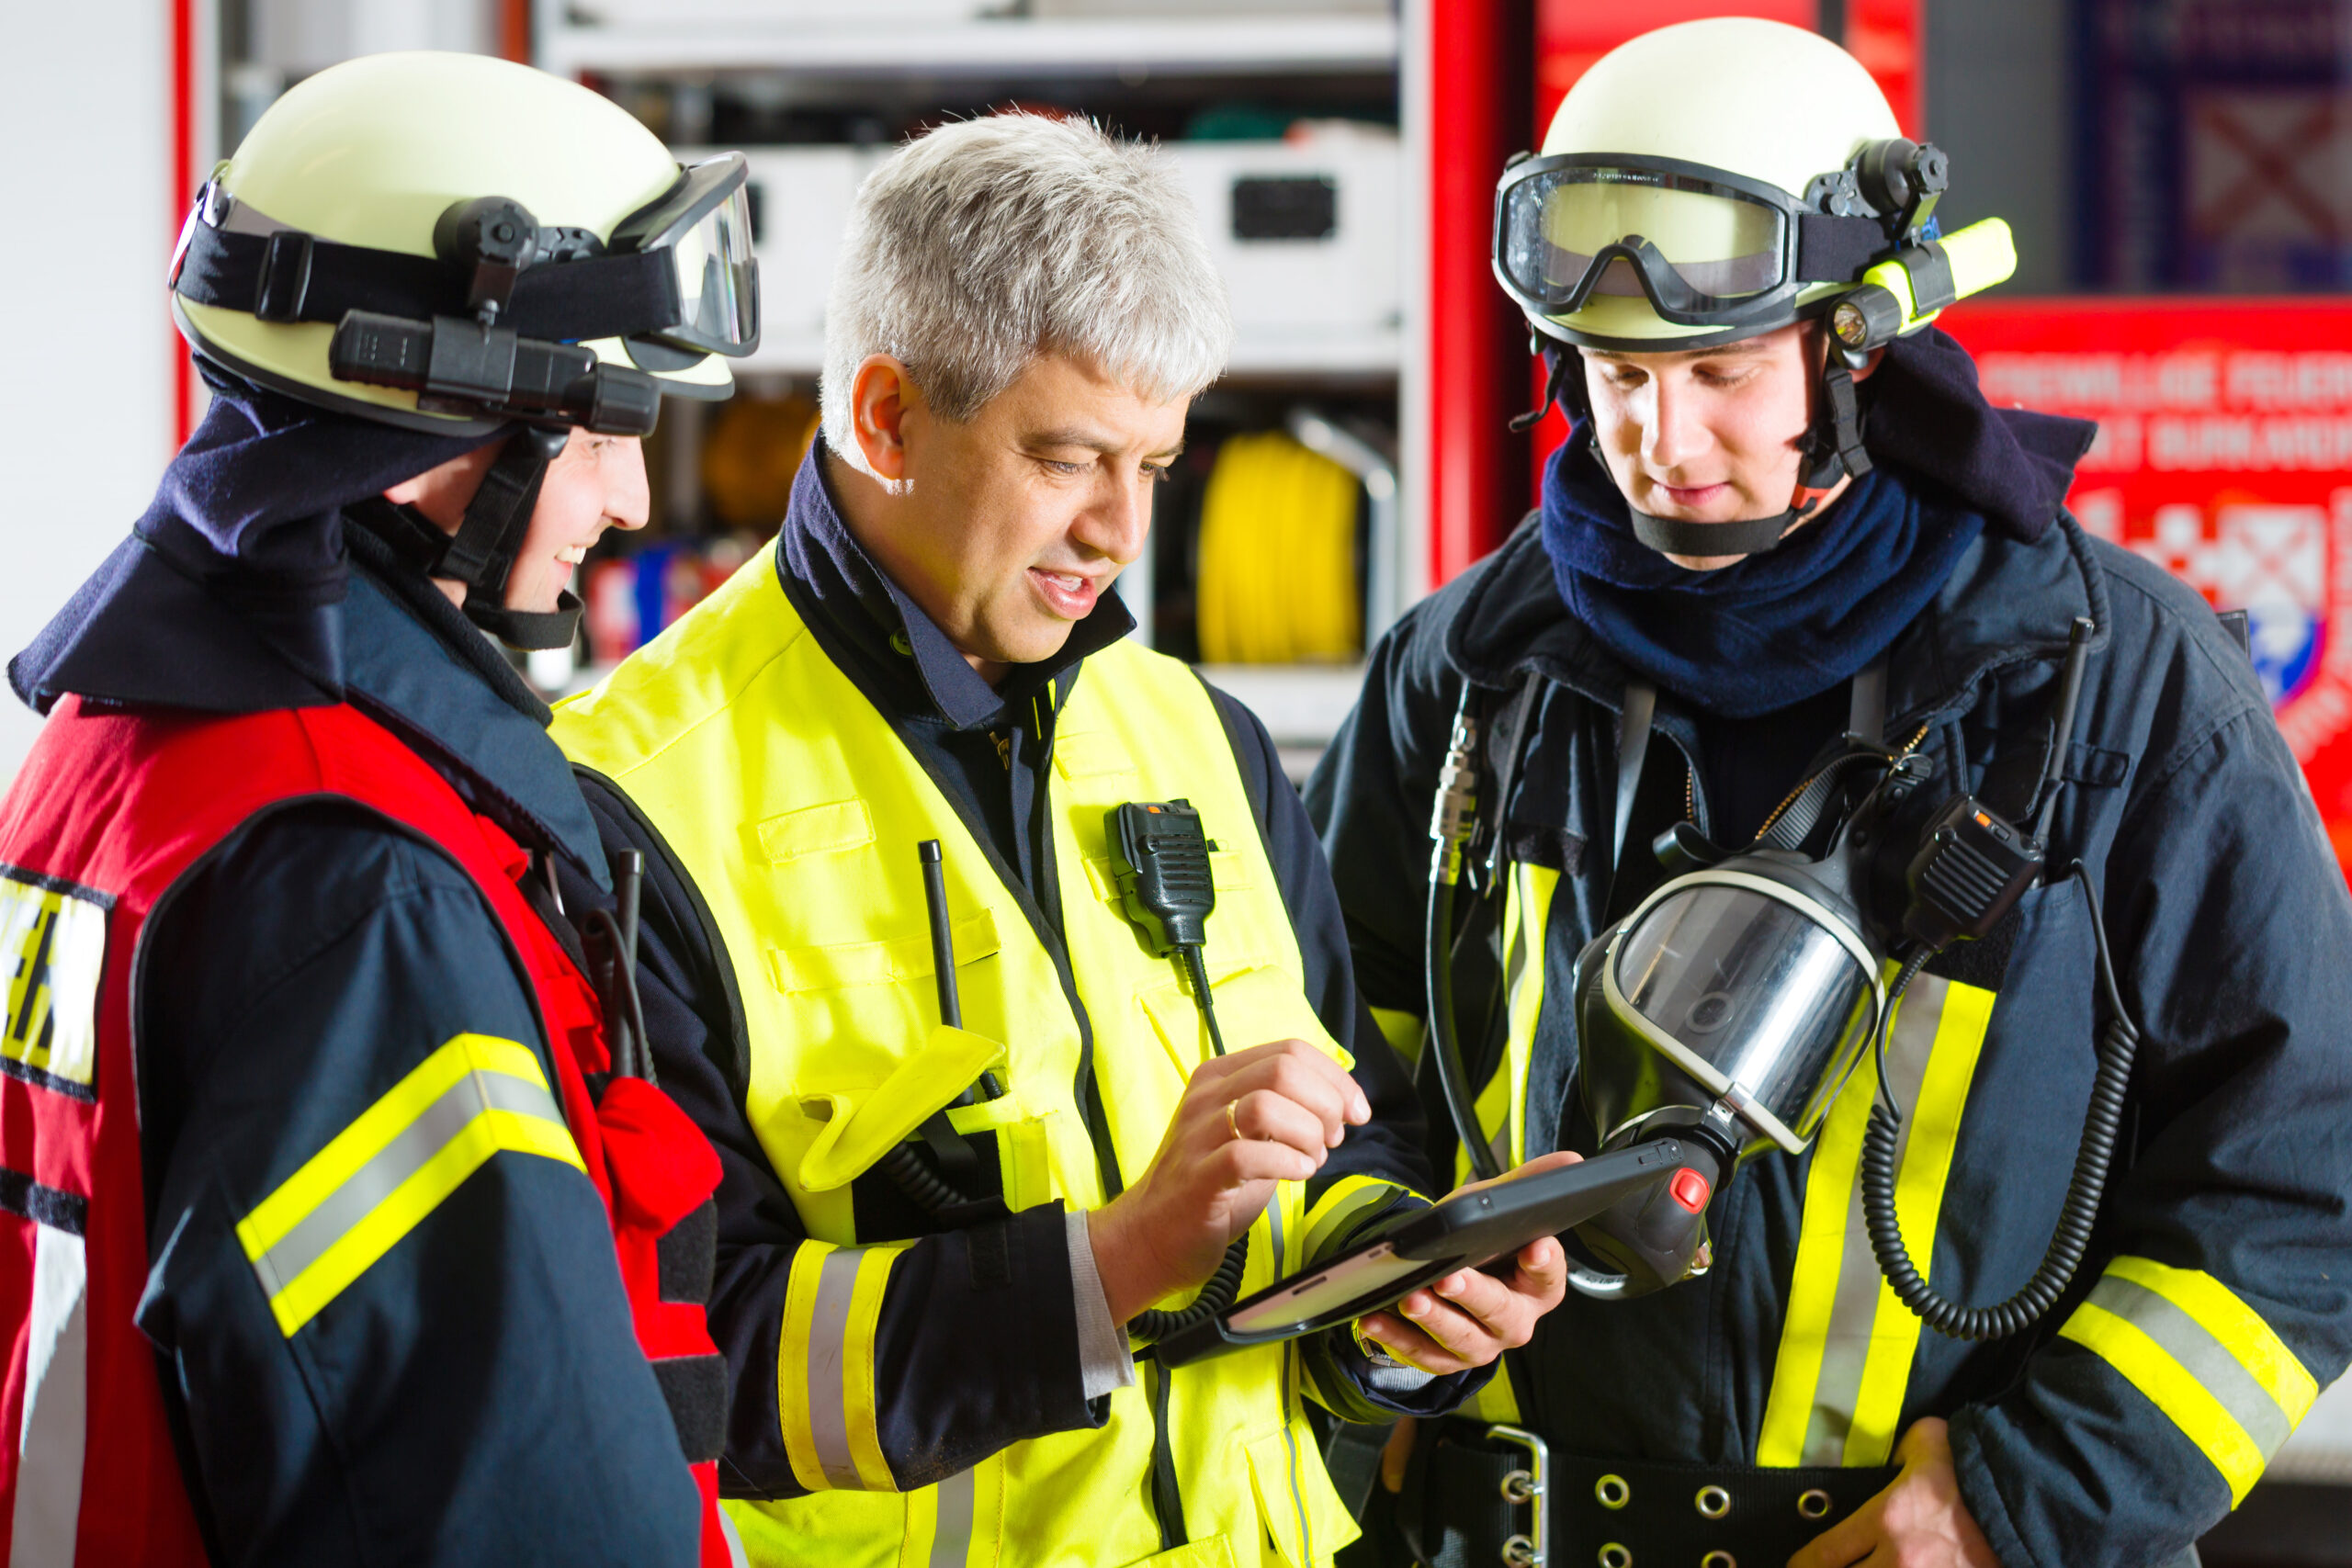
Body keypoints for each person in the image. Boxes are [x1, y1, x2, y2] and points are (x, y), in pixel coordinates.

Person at [1306, 17, 2352, 1568]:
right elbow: (1328, 1076)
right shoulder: (1469, 670)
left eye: (1722, 374)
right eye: (1613, 374)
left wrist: (2021, 1504)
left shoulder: (2114, 686)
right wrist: (1372, 1288)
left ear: (1859, 346)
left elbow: (2304, 1171)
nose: (1662, 443)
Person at [548, 111, 1568, 1568]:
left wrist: (1405, 1306)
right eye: (1071, 456)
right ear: (887, 418)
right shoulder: (628, 804)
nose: (1120, 530)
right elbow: (673, 1366)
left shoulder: (1199, 740)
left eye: (1154, 462)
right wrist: (1107, 1272)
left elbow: (1359, 1134)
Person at [0, 52, 764, 1564]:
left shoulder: (113, 750)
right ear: (442, 435)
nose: (627, 499)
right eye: (608, 429)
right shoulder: (362, 886)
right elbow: (507, 1492)